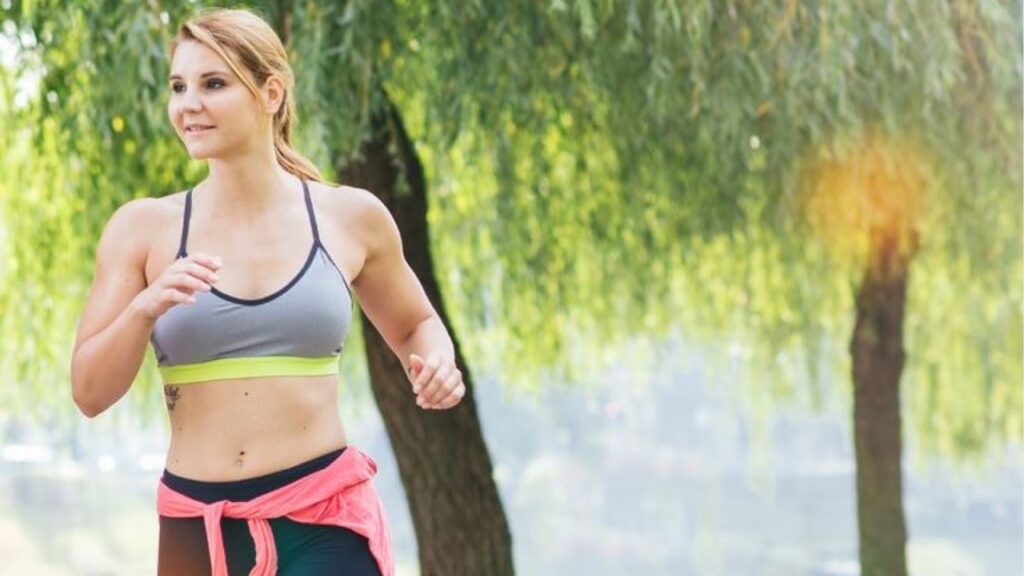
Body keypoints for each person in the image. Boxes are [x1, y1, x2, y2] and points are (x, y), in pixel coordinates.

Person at [69, 7, 465, 576]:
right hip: (195, 530)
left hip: (323, 521)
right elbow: (88, 393)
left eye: (213, 83)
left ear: (271, 92)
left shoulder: (350, 217)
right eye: (178, 86)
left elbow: (415, 326)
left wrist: (438, 364)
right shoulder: (142, 230)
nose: (188, 104)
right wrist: (144, 308)